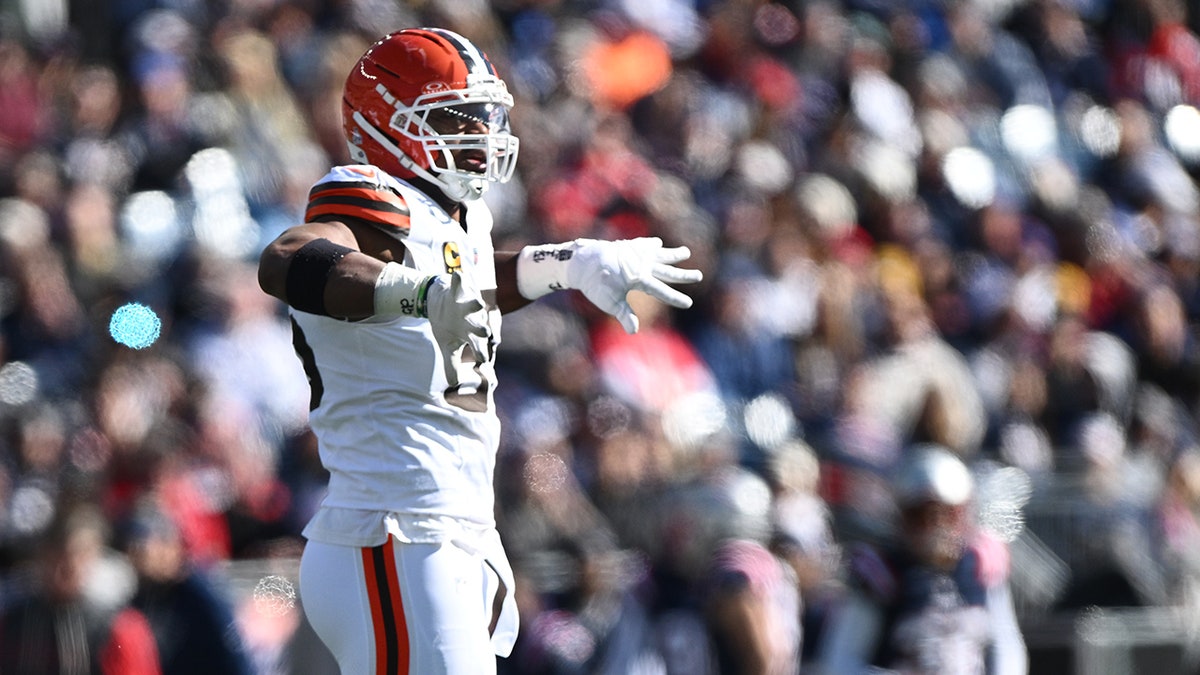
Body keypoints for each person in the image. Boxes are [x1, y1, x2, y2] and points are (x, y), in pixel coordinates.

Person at [255, 27, 702, 674]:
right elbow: (288, 259)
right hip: (392, 528)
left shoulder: (455, 219)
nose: (480, 133)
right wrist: (415, 291)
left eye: (484, 116)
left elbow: (472, 285)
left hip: (450, 526)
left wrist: (569, 263)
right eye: (456, 117)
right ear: (387, 124)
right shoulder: (369, 194)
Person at [812, 444, 1027, 675]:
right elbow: (840, 661)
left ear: (962, 513)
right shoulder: (882, 572)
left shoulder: (981, 565)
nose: (937, 526)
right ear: (903, 516)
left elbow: (1007, 646)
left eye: (947, 514)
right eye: (923, 515)